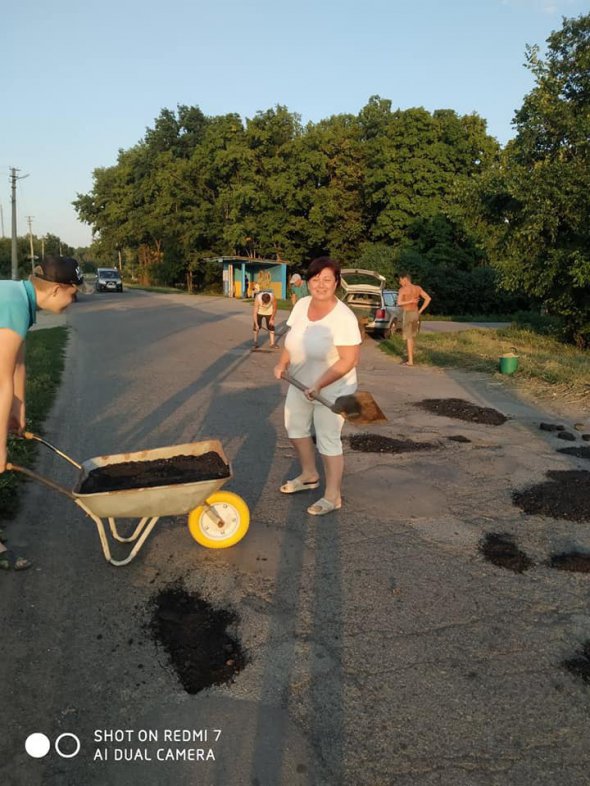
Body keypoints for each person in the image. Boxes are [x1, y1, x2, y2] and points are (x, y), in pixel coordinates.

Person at [0, 255, 83, 570]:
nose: (73, 300)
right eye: (73, 293)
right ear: (57, 290)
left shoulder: (17, 297)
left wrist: (18, 411)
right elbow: (0, 379)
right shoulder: (12, 305)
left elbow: (17, 362)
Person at [273, 257, 361, 516]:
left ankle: (333, 496)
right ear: (308, 281)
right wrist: (282, 363)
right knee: (295, 429)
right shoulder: (301, 305)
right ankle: (310, 474)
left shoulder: (344, 317)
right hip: (301, 383)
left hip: (335, 389)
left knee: (328, 440)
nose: (320, 285)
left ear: (336, 283)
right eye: (315, 279)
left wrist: (319, 384)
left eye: (327, 279)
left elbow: (349, 360)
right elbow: (292, 340)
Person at [397, 272, 431, 367]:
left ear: (405, 279)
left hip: (407, 313)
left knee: (408, 337)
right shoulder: (418, 288)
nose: (399, 282)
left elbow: (399, 303)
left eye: (400, 280)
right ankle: (411, 358)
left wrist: (410, 301)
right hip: (415, 313)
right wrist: (420, 311)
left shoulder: (402, 289)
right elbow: (428, 298)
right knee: (411, 337)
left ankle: (410, 361)